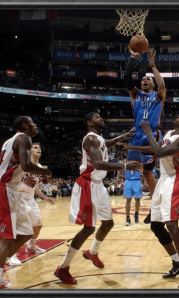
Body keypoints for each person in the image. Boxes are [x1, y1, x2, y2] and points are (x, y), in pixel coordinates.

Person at [54, 112, 142, 285]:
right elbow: (99, 164)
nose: (101, 118)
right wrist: (125, 166)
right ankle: (62, 268)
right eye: (97, 117)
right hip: (87, 184)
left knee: (108, 223)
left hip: (98, 185)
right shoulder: (91, 139)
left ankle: (92, 252)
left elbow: (105, 144)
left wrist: (121, 137)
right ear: (89, 123)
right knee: (88, 228)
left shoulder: (98, 139)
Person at [124, 114, 179, 288]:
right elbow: (154, 149)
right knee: (156, 225)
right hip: (163, 180)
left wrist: (149, 132)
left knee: (172, 225)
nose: (178, 115)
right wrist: (130, 147)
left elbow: (159, 152)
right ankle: (176, 263)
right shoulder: (170, 132)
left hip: (175, 180)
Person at [0, 116, 52, 289]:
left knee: (27, 232)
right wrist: (45, 171)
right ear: (24, 125)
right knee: (7, 238)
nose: (36, 125)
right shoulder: (23, 138)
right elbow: (27, 165)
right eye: (33, 123)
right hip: (2, 189)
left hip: (11, 189)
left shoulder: (10, 141)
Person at [124, 47, 165, 224]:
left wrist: (152, 65)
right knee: (132, 168)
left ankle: (156, 208)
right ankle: (135, 210)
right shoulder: (136, 94)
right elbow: (127, 79)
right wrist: (132, 59)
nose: (145, 81)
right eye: (143, 80)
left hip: (151, 135)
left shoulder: (158, 96)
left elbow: (162, 85)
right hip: (136, 133)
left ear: (153, 84)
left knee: (148, 174)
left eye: (148, 79)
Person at [7, 142, 55, 266]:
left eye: (39, 147)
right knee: (22, 229)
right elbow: (10, 179)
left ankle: (31, 246)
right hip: (19, 199)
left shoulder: (39, 167)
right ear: (29, 151)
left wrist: (44, 197)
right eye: (35, 147)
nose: (38, 149)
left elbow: (35, 187)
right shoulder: (23, 163)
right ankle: (11, 255)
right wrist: (18, 188)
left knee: (38, 224)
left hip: (30, 200)